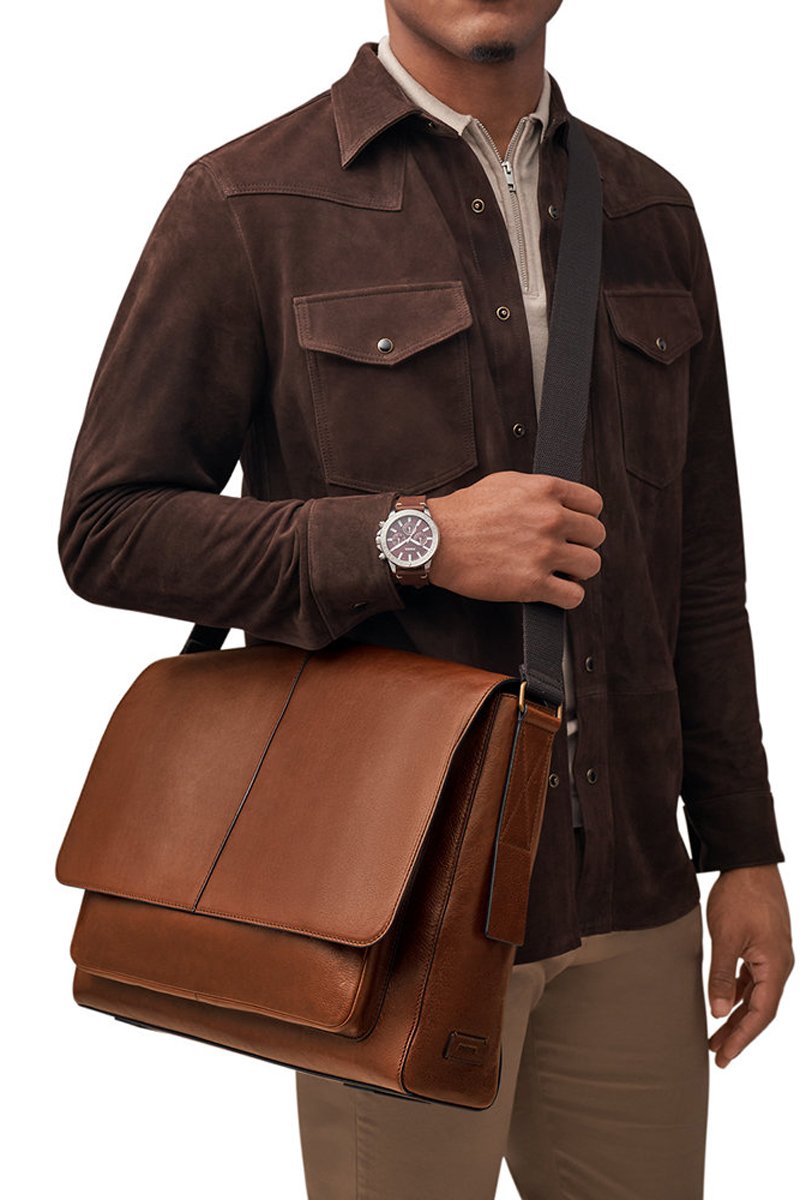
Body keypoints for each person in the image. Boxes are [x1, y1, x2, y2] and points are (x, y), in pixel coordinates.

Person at [57, 2, 793, 1197]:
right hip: (390, 914)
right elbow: (109, 530)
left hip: (632, 900)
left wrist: (743, 850)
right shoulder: (247, 202)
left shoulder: (650, 212)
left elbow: (700, 573)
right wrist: (415, 539)